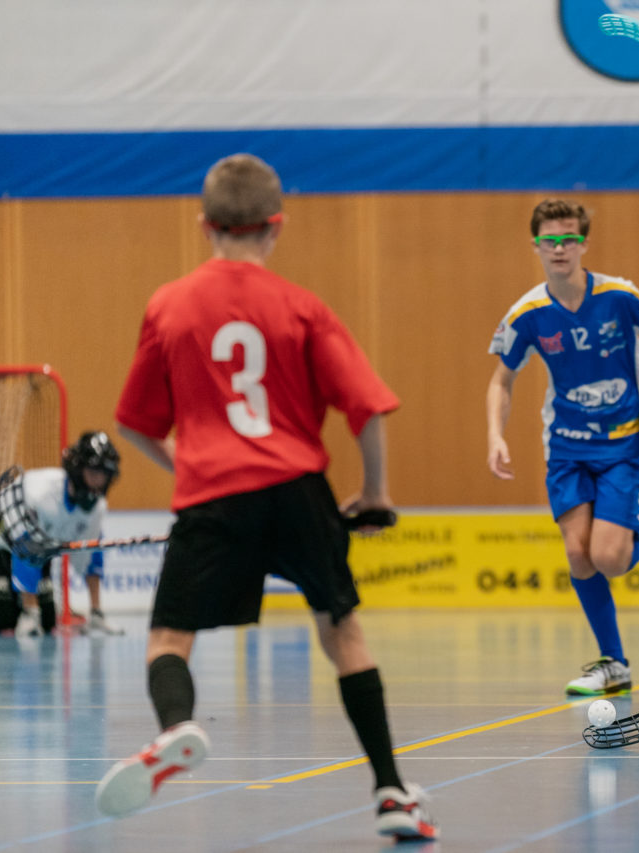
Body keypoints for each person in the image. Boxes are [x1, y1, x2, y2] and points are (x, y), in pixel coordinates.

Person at [98, 153, 436, 841]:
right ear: (276, 226)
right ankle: (392, 792)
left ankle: (178, 726)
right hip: (296, 488)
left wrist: (188, 465)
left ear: (204, 225)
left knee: (169, 637)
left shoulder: (169, 304)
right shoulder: (301, 307)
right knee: (341, 632)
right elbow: (367, 409)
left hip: (213, 495)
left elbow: (133, 423)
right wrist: (375, 492)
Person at [487, 198, 639, 696]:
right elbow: (501, 381)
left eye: (569, 239)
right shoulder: (528, 313)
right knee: (579, 555)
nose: (559, 249)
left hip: (624, 444)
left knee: (611, 559)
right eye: (550, 241)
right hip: (566, 448)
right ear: (536, 245)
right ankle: (614, 663)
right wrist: (495, 433)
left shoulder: (618, 295)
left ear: (584, 243)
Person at [0, 431, 124, 637]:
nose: (100, 481)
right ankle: (27, 612)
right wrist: (30, 613)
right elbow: (24, 546)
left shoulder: (97, 507)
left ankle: (96, 616)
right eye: (94, 472)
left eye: (105, 475)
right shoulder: (40, 493)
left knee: (47, 619)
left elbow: (89, 556)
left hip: (26, 551)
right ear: (78, 469)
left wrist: (95, 611)